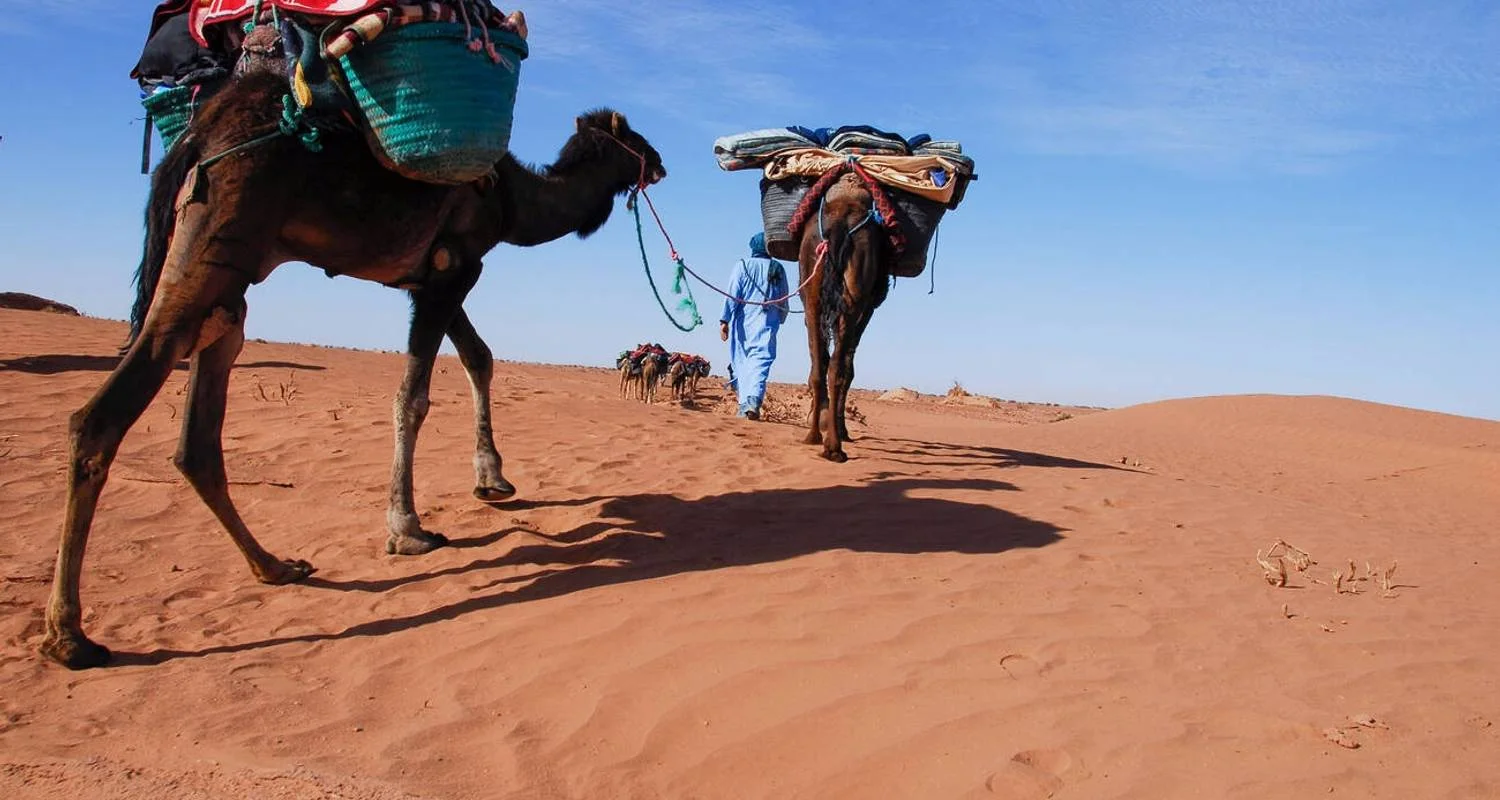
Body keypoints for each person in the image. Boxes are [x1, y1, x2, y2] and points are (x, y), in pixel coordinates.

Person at [720, 232, 790, 419]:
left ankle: (749, 403)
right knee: (761, 362)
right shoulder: (778, 268)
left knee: (743, 363)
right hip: (769, 323)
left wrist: (724, 320)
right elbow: (785, 299)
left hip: (743, 324)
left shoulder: (742, 265)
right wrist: (781, 317)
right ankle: (750, 403)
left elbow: (732, 294)